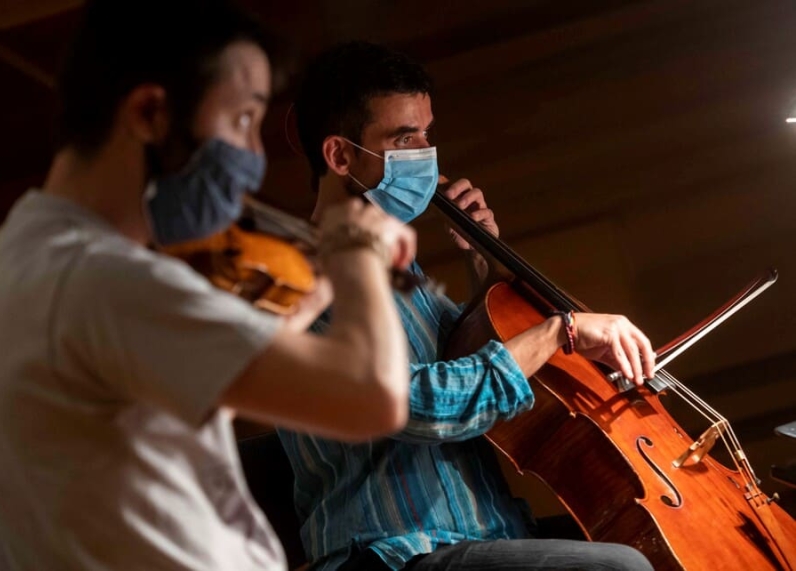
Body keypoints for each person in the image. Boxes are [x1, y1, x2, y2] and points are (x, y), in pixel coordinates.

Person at [0, 5, 417, 570]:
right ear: (149, 113)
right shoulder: (106, 279)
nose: (253, 157)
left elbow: (191, 377)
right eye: (242, 120)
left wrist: (315, 291)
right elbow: (375, 398)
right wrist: (355, 246)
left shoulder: (25, 261)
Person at [277, 41, 657, 571]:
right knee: (620, 570)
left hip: (478, 536)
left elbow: (468, 359)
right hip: (391, 553)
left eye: (427, 133)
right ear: (340, 156)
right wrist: (558, 332)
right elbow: (424, 405)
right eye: (404, 138)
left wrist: (484, 267)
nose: (426, 154)